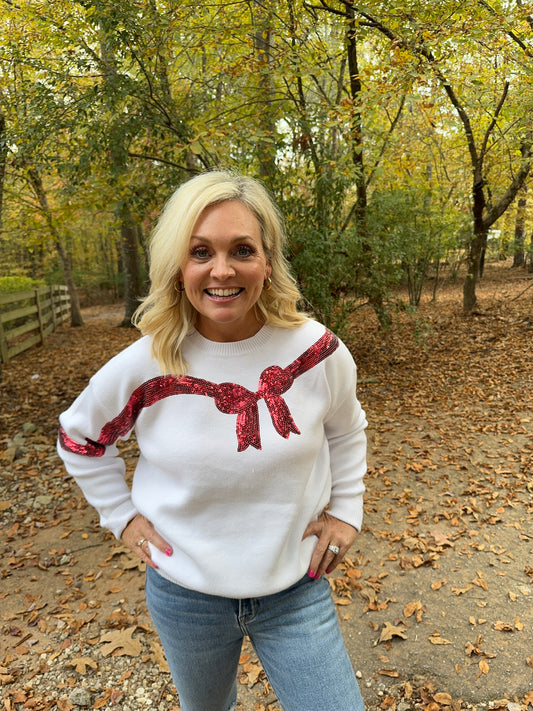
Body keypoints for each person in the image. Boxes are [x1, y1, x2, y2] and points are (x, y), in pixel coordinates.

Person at [57, 171, 368, 711]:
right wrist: (122, 517)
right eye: (201, 251)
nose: (221, 270)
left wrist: (347, 510)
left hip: (296, 589)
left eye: (241, 250)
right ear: (179, 268)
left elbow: (347, 429)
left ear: (267, 263)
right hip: (186, 598)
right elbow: (80, 438)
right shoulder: (145, 364)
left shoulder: (317, 351)